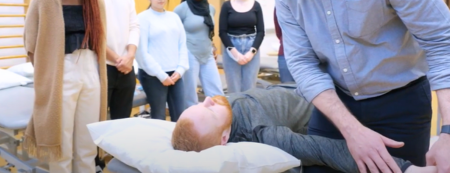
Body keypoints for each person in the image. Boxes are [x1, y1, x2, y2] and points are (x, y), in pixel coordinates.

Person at [249, 0, 450, 173]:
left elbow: (440, 41)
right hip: (335, 104)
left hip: (402, 102)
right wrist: (351, 130)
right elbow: (302, 63)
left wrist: (448, 132)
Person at [171, 86, 438, 173]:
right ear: (224, 138)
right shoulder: (259, 133)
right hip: (329, 110)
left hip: (308, 91)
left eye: (199, 103)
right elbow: (323, 149)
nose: (207, 99)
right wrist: (406, 168)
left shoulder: (225, 110)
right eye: (208, 109)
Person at [23, 0, 108, 173]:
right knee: (61, 148)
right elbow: (30, 45)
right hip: (62, 73)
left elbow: (100, 42)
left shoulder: (96, 0)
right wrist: (49, 74)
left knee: (87, 146)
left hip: (91, 73)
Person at [87, 0, 140, 120]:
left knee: (123, 121)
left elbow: (134, 26)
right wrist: (118, 59)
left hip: (127, 67)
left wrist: (130, 56)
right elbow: (92, 33)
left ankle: (118, 150)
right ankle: (98, 151)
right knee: (98, 121)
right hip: (101, 67)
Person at [135, 0, 189, 121]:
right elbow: (141, 53)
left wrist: (180, 69)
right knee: (159, 116)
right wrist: (161, 75)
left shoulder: (174, 17)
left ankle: (179, 143)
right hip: (153, 75)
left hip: (175, 74)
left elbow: (182, 45)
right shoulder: (143, 18)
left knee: (180, 116)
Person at [174, 0, 224, 108]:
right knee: (190, 94)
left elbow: (207, 32)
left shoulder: (210, 8)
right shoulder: (181, 9)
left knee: (217, 92)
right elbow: (174, 33)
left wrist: (212, 47)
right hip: (189, 54)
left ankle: (220, 120)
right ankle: (191, 124)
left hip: (207, 54)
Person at [219, 0, 265, 93]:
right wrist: (235, 54)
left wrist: (251, 53)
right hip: (231, 46)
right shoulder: (226, 6)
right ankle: (235, 112)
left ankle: (248, 112)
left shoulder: (256, 5)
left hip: (251, 46)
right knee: (234, 87)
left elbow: (261, 31)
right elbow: (222, 32)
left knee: (249, 88)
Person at [274, 7, 294, 83]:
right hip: (285, 52)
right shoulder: (280, 4)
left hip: (309, 54)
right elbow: (278, 31)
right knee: (286, 87)